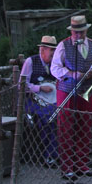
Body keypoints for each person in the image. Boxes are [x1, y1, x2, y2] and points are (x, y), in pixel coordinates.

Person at [50, 15, 92, 184]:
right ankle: (67, 166)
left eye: (80, 31)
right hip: (67, 90)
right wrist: (73, 74)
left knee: (85, 126)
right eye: (75, 32)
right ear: (71, 31)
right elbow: (54, 68)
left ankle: (81, 164)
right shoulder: (63, 45)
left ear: (85, 30)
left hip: (88, 91)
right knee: (66, 127)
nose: (78, 35)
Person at [20, 35, 59, 165]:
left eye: (55, 50)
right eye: (51, 50)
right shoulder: (30, 62)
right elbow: (22, 85)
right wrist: (39, 88)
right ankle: (47, 155)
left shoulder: (56, 64)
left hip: (52, 101)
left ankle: (56, 154)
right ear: (42, 50)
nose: (53, 54)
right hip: (32, 101)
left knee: (60, 114)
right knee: (48, 117)